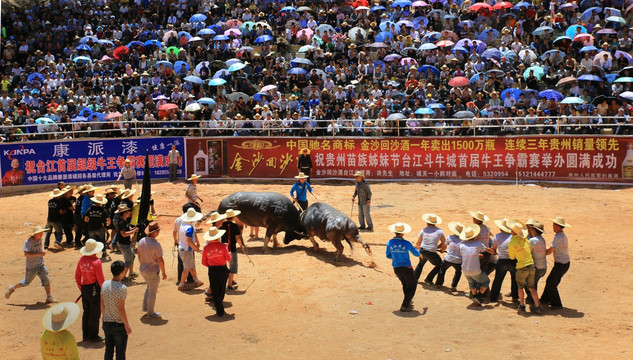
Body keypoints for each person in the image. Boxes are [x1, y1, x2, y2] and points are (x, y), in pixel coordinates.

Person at [5, 225, 58, 303]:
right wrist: (39, 254)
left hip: (40, 264)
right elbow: (26, 254)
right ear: (35, 234)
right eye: (39, 233)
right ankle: (12, 288)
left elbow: (40, 249)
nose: (41, 234)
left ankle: (49, 297)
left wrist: (42, 252)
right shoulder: (28, 242)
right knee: (26, 282)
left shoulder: (41, 239)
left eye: (42, 232)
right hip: (31, 267)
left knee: (46, 279)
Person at [506, 220, 543, 314]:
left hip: (521, 267)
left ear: (512, 231)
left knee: (520, 287)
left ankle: (522, 305)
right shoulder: (525, 239)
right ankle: (537, 306)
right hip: (531, 265)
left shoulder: (512, 242)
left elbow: (512, 257)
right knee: (532, 288)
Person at [75, 238, 105, 342]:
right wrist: (104, 291)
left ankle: (86, 335)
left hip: (85, 288)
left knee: (86, 311)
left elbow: (77, 276)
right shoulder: (97, 262)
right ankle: (93, 336)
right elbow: (100, 279)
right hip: (94, 288)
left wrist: (81, 288)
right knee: (95, 313)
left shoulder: (81, 260)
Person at [385, 222, 419, 312]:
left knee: (405, 284)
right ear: (403, 233)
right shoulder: (406, 243)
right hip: (407, 267)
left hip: (396, 268)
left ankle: (408, 301)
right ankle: (405, 305)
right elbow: (415, 253)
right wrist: (420, 254)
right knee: (413, 285)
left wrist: (395, 256)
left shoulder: (389, 242)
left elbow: (388, 255)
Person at [101, 260, 131, 360]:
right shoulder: (122, 288)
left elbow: (102, 304)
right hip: (118, 324)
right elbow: (121, 308)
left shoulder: (104, 284)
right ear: (122, 272)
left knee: (108, 350)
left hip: (107, 322)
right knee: (120, 352)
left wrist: (103, 317)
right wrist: (126, 324)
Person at [137, 221, 167, 318]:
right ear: (154, 232)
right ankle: (150, 313)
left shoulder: (142, 241)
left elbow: (139, 254)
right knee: (152, 292)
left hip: (143, 269)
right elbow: (160, 260)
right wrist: (164, 272)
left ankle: (145, 307)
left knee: (148, 288)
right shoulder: (156, 245)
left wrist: (142, 264)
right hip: (152, 270)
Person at [540, 217, 571, 310]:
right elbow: (552, 247)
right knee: (552, 282)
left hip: (561, 264)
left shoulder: (558, 237)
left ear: (557, 226)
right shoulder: (561, 235)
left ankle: (557, 304)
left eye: (554, 225)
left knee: (551, 283)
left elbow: (549, 251)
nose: (553, 226)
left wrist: (539, 252)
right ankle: (545, 299)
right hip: (564, 264)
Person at [457, 224, 492, 305]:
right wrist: (492, 252)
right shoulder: (478, 244)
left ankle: (475, 296)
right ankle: (478, 297)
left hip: (465, 269)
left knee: (472, 283)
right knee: (486, 281)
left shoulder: (461, 245)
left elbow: (465, 253)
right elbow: (486, 249)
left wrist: (476, 255)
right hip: (475, 269)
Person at [201, 226, 231, 317]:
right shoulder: (224, 246)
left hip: (212, 270)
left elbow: (204, 262)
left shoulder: (206, 248)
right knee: (222, 288)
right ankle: (219, 304)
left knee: (214, 288)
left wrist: (211, 264)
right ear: (218, 237)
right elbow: (228, 258)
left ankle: (219, 308)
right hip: (222, 269)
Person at [489, 218, 518, 303]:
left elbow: (493, 250)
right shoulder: (514, 236)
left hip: (501, 261)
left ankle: (493, 297)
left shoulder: (497, 236)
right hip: (513, 260)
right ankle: (515, 297)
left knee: (498, 280)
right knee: (514, 280)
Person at [219, 209, 247, 290]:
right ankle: (229, 284)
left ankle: (231, 280)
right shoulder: (234, 226)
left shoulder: (221, 225)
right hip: (232, 248)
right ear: (233, 217)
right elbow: (237, 237)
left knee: (225, 264)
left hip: (223, 248)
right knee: (233, 266)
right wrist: (241, 245)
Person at [414, 213, 446, 284]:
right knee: (440, 265)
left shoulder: (423, 230)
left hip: (422, 251)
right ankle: (429, 278)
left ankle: (415, 279)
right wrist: (439, 248)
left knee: (421, 264)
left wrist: (415, 248)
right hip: (431, 252)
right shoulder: (440, 231)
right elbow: (444, 244)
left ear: (427, 222)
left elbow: (418, 244)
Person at [177, 208, 204, 291]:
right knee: (187, 268)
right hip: (187, 249)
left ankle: (196, 280)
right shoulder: (189, 227)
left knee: (191, 266)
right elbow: (189, 240)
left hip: (182, 248)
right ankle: (181, 284)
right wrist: (196, 248)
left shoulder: (184, 224)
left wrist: (196, 244)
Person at [435, 221, 463, 291]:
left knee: (442, 270)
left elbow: (444, 246)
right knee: (458, 272)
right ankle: (453, 286)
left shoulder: (450, 237)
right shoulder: (463, 240)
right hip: (458, 260)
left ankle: (438, 284)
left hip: (448, 259)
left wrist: (441, 250)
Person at [113, 204, 138, 280]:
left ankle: (131, 273)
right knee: (128, 261)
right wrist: (134, 231)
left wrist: (132, 229)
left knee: (132, 257)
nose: (129, 212)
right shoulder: (121, 223)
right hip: (124, 244)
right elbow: (123, 234)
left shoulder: (125, 221)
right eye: (127, 211)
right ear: (124, 213)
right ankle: (123, 276)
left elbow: (127, 229)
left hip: (126, 244)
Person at [525, 219, 547, 306]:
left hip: (536, 268)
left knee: (531, 286)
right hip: (543, 267)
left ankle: (535, 303)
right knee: (533, 285)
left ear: (534, 230)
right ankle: (532, 300)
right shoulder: (542, 240)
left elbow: (527, 252)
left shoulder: (532, 240)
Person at [84, 194, 111, 259]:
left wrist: (89, 222)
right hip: (99, 228)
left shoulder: (90, 209)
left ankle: (93, 254)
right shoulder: (103, 210)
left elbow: (85, 218)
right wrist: (107, 225)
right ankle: (104, 252)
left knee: (93, 241)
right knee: (102, 240)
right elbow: (108, 220)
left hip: (91, 228)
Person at [173, 207, 195, 286]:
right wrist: (196, 246)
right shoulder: (190, 223)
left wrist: (175, 241)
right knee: (190, 263)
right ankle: (189, 279)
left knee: (180, 262)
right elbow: (193, 235)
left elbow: (174, 232)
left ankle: (180, 279)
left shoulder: (178, 220)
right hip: (188, 246)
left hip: (180, 243)